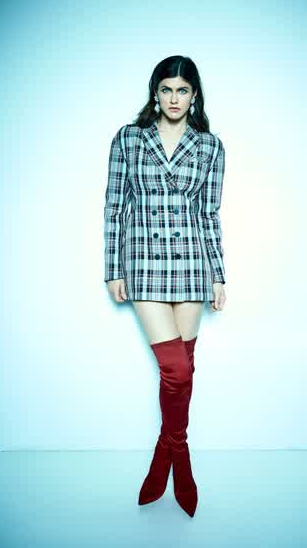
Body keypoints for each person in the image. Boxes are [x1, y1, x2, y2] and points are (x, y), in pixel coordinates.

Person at [103, 55, 226, 517]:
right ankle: (182, 457)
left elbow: (209, 214)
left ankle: (164, 453)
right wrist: (114, 269)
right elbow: (114, 206)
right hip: (144, 262)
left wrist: (219, 274)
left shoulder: (210, 146)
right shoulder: (129, 139)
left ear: (194, 96)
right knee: (176, 370)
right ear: (156, 93)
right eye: (167, 89)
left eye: (183, 90)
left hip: (192, 264)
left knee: (182, 371)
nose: (175, 98)